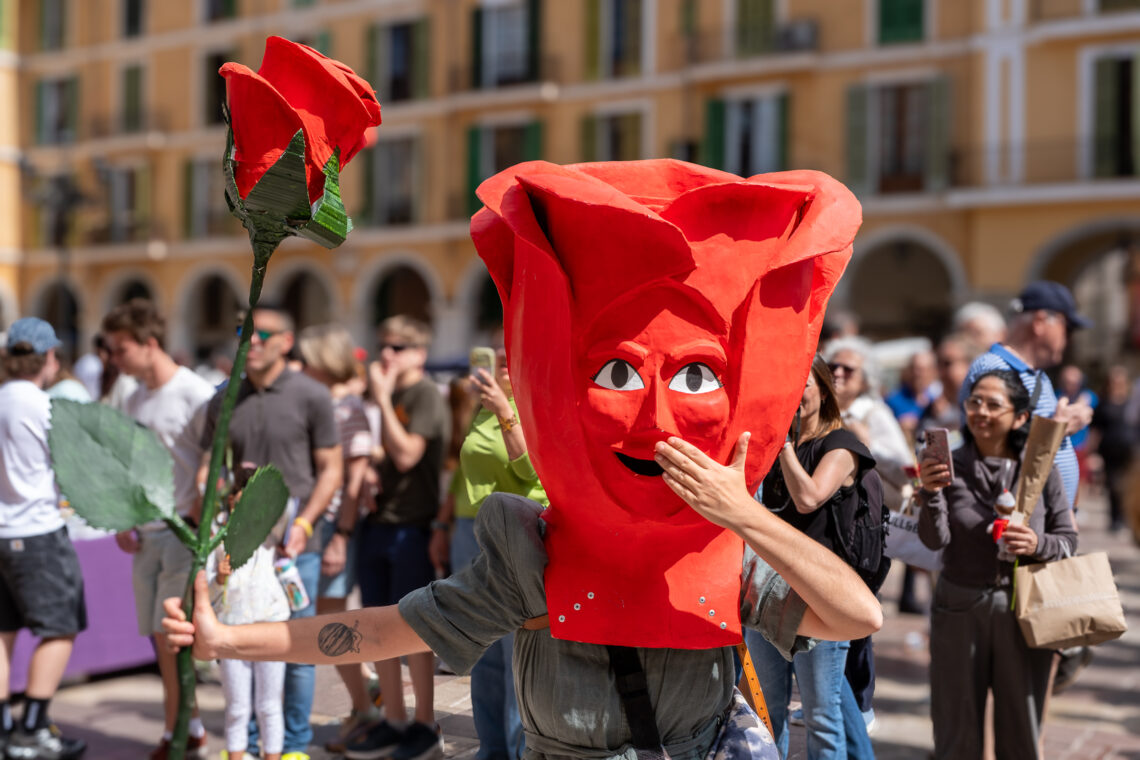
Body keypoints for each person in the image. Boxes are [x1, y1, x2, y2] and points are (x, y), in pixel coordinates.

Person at [198, 305, 343, 760]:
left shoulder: (311, 395)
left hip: (292, 549)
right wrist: (217, 497)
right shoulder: (223, 399)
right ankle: (249, 746)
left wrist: (304, 524)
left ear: (286, 340)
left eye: (262, 333)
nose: (252, 341)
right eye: (244, 331)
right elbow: (207, 467)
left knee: (295, 647)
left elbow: (331, 468)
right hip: (237, 552)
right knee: (239, 643)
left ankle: (292, 746)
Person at [917, 369, 1077, 759]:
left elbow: (1068, 541)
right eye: (974, 401)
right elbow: (934, 540)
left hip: (1023, 609)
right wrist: (931, 492)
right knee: (955, 726)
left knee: (1021, 726)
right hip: (958, 606)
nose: (980, 411)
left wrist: (1038, 542)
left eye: (993, 403)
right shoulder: (950, 465)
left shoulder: (1039, 468)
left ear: (1020, 417)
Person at [102, 299, 217, 759]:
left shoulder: (194, 392)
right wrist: (124, 516)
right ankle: (190, 727)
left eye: (121, 348)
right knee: (158, 638)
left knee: (173, 639)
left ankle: (175, 732)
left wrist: (198, 514)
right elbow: (131, 466)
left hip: (181, 532)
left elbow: (213, 459)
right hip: (146, 532)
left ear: (150, 344)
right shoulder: (133, 397)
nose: (115, 358)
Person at [746, 355, 874, 760]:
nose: (794, 393)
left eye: (801, 384)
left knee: (821, 716)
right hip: (773, 591)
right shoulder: (776, 447)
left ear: (822, 388)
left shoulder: (842, 445)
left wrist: (781, 443)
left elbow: (808, 499)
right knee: (766, 711)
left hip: (821, 597)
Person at [430, 341, 547, 760]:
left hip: (515, 528)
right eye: (490, 361)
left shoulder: (535, 403)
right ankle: (491, 748)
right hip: (468, 529)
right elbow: (461, 470)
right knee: (479, 643)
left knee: (516, 647)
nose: (494, 369)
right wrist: (442, 524)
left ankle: (521, 750)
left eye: (503, 361)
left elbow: (532, 470)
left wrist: (504, 410)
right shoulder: (474, 406)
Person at [348, 316, 449, 760]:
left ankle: (425, 724)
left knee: (412, 632)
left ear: (420, 354)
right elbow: (386, 452)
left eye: (399, 346)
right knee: (376, 631)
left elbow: (408, 455)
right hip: (378, 524)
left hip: (412, 527)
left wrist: (383, 400)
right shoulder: (389, 396)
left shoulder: (424, 394)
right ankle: (392, 718)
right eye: (384, 344)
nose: (387, 354)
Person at [0, 318, 87, 760]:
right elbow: (75, 467)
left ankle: (4, 731)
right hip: (36, 530)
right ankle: (32, 727)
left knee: (3, 631)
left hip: (1, 530)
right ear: (49, 357)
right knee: (61, 628)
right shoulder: (45, 405)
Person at [295, 323, 380, 752]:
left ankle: (365, 706)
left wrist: (341, 535)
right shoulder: (315, 403)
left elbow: (354, 480)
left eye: (307, 359)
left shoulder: (348, 409)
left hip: (330, 528)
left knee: (328, 624)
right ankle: (364, 703)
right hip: (311, 526)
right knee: (325, 623)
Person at [821, 336, 911, 724]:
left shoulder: (874, 413)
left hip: (863, 533)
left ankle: (859, 707)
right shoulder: (816, 408)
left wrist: (866, 444)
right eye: (834, 367)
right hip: (823, 531)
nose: (839, 373)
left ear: (866, 378)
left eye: (849, 369)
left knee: (857, 621)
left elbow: (903, 465)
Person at [960, 281, 1093, 512]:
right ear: (1040, 322)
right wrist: (1058, 427)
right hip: (1012, 525)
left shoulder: (1034, 373)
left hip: (1038, 524)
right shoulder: (994, 368)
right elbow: (988, 446)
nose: (1068, 338)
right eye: (1067, 327)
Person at [207, 469, 292, 760]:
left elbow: (287, 504)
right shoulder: (218, 538)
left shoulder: (270, 533)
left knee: (269, 704)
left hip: (271, 624)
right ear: (230, 502)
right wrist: (218, 579)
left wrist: (263, 484)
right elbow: (207, 594)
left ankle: (272, 756)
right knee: (237, 707)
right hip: (231, 629)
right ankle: (236, 755)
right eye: (240, 501)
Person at [1088, 365, 1134, 533]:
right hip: (1109, 450)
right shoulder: (1103, 403)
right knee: (1113, 484)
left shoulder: (1131, 403)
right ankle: (1115, 518)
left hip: (1129, 450)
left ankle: (1126, 517)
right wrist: (1092, 453)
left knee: (1128, 485)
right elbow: (1095, 430)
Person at [885, 349, 940, 444]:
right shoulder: (892, 399)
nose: (917, 374)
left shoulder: (938, 397)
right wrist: (898, 427)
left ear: (933, 372)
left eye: (922, 370)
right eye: (913, 368)